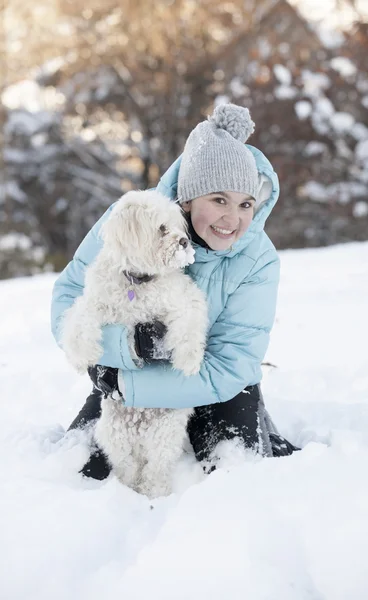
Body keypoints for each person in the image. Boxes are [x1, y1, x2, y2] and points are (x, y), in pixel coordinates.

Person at [51, 103, 299, 481]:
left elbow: (231, 365)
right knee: (85, 472)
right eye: (218, 200)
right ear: (187, 199)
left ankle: (259, 434)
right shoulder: (133, 219)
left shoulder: (258, 259)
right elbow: (70, 295)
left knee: (236, 476)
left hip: (217, 389)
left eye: (245, 204)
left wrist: (128, 384)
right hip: (130, 381)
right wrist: (126, 349)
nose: (233, 220)